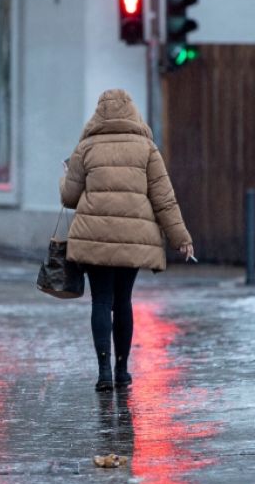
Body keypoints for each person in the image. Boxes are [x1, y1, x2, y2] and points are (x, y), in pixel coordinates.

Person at [59, 89, 193, 391]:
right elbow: (164, 198)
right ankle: (122, 371)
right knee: (123, 302)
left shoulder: (86, 148)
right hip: (133, 238)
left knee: (101, 301)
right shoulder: (146, 148)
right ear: (133, 112)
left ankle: (103, 371)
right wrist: (180, 237)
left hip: (93, 238)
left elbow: (69, 197)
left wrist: (65, 175)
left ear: (98, 114)